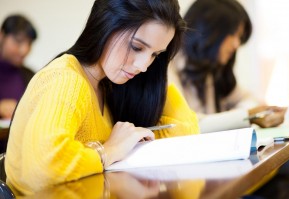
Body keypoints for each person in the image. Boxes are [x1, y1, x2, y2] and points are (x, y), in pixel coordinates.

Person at [5, 0, 199, 195]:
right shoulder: (66, 78)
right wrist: (108, 151)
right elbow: (45, 166)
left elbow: (184, 130)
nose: (143, 66)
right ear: (106, 24)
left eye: (155, 54)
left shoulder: (109, 87)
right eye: (137, 47)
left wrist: (158, 75)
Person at [169, 0, 286, 133]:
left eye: (240, 37)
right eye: (233, 34)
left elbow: (248, 99)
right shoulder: (168, 67)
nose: (237, 44)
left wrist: (252, 113)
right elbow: (189, 124)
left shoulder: (213, 67)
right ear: (209, 29)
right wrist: (248, 116)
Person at [0, 14, 37, 120]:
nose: (24, 50)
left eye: (29, 43)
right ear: (2, 36)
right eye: (18, 41)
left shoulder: (31, 76)